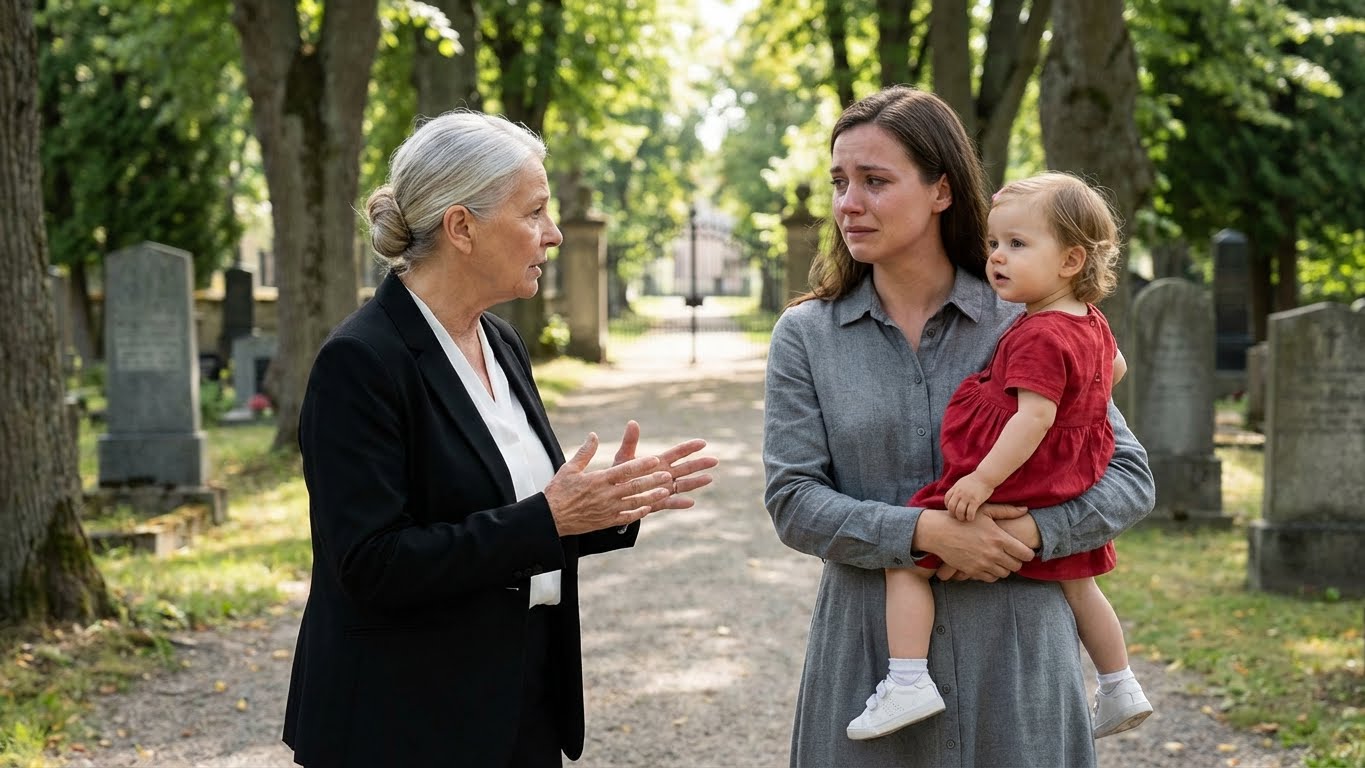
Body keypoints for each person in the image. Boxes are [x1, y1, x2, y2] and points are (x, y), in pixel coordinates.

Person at [281, 110, 719, 768]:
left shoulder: (500, 341)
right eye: (534, 212)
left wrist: (607, 506)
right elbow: (371, 564)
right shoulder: (361, 362)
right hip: (402, 723)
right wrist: (550, 516)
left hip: (519, 703)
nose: (553, 234)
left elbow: (518, 513)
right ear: (462, 227)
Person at [762, 85, 1155, 767]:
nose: (847, 203)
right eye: (839, 182)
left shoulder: (1035, 319)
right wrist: (921, 534)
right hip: (867, 663)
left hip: (1017, 660)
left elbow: (1126, 476)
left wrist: (1025, 535)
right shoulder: (806, 335)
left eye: (874, 181)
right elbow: (793, 501)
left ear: (941, 191)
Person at [847, 172, 1152, 743]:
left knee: (907, 560)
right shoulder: (1090, 320)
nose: (996, 258)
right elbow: (1114, 372)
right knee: (1081, 584)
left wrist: (981, 482)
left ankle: (908, 679)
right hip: (1066, 481)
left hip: (1014, 478)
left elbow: (1033, 417)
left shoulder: (1037, 333)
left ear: (1069, 260)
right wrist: (1084, 408)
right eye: (993, 243)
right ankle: (1119, 683)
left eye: (1016, 244)